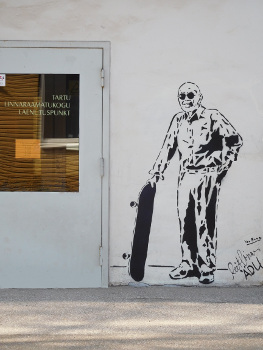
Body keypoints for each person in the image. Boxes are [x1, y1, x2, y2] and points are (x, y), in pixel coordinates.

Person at [148, 82, 243, 284]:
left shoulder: (212, 116)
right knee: (185, 220)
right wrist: (157, 171)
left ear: (199, 97)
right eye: (182, 96)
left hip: (207, 175)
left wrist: (223, 168)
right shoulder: (178, 120)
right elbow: (168, 147)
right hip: (185, 176)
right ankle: (187, 264)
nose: (186, 100)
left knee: (204, 222)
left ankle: (206, 268)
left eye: (191, 95)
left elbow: (235, 140)